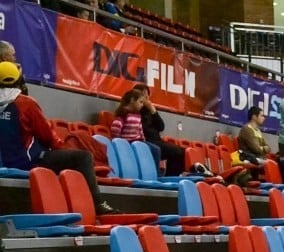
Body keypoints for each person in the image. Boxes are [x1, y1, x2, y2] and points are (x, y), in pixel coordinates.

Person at [0, 62, 115, 213]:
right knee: (82, 158)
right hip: (27, 162)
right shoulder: (26, 103)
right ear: (19, 80)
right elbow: (47, 136)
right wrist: (64, 150)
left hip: (4, 162)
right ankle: (97, 205)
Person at [133, 83, 185, 177]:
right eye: (143, 95)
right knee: (175, 151)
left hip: (158, 141)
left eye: (147, 95)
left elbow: (161, 127)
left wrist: (153, 110)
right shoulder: (135, 110)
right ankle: (168, 177)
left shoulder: (149, 111)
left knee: (181, 151)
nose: (146, 97)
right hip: (147, 141)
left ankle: (171, 176)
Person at [110, 88, 161, 170]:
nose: (142, 105)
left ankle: (153, 171)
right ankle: (156, 173)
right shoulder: (124, 113)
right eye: (140, 102)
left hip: (138, 141)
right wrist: (119, 143)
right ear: (132, 100)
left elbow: (140, 130)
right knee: (155, 150)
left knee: (156, 149)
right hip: (128, 142)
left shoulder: (137, 115)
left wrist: (143, 140)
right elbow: (116, 128)